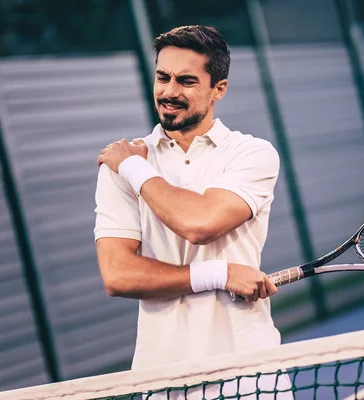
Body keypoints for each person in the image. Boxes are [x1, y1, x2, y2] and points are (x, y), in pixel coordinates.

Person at [94, 25, 292, 399]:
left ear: (219, 89)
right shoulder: (120, 164)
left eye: (185, 81)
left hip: (249, 372)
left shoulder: (251, 153)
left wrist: (136, 171)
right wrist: (220, 273)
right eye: (162, 77)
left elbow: (201, 224)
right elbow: (118, 275)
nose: (169, 92)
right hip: (163, 377)